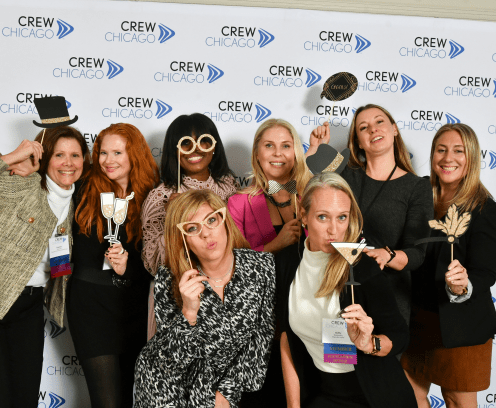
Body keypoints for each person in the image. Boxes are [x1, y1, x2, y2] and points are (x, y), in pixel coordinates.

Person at [278, 172, 417, 408]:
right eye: (323, 217)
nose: (334, 230)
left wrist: (368, 344)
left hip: (376, 396)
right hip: (324, 394)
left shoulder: (360, 267)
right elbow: (286, 340)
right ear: (304, 215)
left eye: (342, 217)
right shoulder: (288, 262)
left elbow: (400, 336)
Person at [134, 189, 276, 407]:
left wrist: (227, 392)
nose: (207, 234)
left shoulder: (262, 267)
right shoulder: (169, 277)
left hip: (222, 390)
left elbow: (261, 338)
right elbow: (171, 360)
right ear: (183, 239)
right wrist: (189, 312)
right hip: (166, 387)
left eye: (211, 220)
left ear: (224, 220)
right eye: (193, 228)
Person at [0, 97, 90, 408]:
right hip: (2, 296)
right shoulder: (20, 182)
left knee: (23, 396)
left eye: (75, 155)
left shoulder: (75, 202)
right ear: (46, 157)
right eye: (60, 155)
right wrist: (12, 156)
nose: (68, 162)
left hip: (28, 306)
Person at [308, 104, 433, 324]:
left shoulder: (417, 187)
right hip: (338, 290)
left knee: (381, 356)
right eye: (364, 127)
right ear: (357, 142)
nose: (373, 129)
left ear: (394, 129)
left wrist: (389, 255)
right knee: (335, 359)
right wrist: (314, 152)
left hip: (387, 297)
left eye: (379, 122)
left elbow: (418, 252)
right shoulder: (344, 173)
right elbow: (308, 201)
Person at [401, 123, 496, 408]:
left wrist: (462, 284)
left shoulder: (484, 207)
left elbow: (486, 272)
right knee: (410, 397)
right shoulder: (419, 196)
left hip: (461, 327)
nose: (448, 158)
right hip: (417, 321)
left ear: (471, 159)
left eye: (458, 151)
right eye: (441, 150)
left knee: (457, 401)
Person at [67, 123, 160, 408]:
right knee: (106, 400)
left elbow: (159, 261)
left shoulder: (154, 196)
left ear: (135, 154)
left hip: (134, 307)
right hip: (90, 307)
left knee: (130, 397)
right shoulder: (82, 187)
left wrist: (127, 268)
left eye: (117, 152)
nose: (108, 160)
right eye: (102, 152)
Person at [141, 113, 238, 338]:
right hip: (176, 297)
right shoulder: (161, 196)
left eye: (204, 140)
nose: (196, 149)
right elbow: (152, 263)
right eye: (186, 143)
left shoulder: (229, 187)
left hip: (226, 292)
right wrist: (172, 221)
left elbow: (241, 244)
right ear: (175, 150)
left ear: (214, 146)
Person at [228, 118, 311, 253]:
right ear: (257, 154)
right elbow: (233, 260)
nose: (278, 153)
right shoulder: (238, 204)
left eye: (286, 146)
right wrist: (275, 245)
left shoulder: (311, 195)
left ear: (295, 153)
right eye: (269, 145)